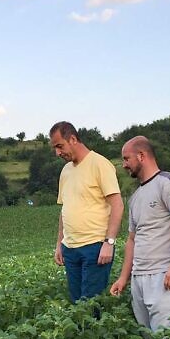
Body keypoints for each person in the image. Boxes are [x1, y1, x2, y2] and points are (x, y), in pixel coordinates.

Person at [109, 136, 170, 330]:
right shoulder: (135, 197)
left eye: (126, 159)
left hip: (165, 275)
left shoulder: (168, 183)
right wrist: (124, 277)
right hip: (139, 277)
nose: (124, 165)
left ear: (141, 156)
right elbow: (132, 240)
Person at [50, 121, 124, 303]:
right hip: (71, 248)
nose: (57, 153)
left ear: (73, 139)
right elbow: (64, 209)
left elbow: (117, 204)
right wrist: (60, 243)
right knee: (77, 305)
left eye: (60, 146)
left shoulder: (100, 164)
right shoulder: (66, 171)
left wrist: (109, 243)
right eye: (55, 148)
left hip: (95, 247)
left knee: (90, 306)